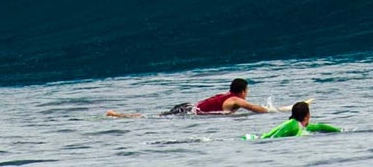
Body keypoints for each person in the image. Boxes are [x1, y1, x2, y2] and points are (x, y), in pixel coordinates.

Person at [105, 76, 278, 117]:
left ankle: (117, 115)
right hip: (188, 112)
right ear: (242, 91)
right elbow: (255, 109)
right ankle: (117, 115)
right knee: (149, 118)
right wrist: (271, 111)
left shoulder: (225, 96)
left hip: (188, 107)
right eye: (247, 91)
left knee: (156, 117)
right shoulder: (235, 99)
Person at [246, 101, 341, 138]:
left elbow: (320, 126)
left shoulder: (300, 125)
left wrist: (340, 131)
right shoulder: (292, 125)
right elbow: (274, 137)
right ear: (308, 115)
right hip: (252, 139)